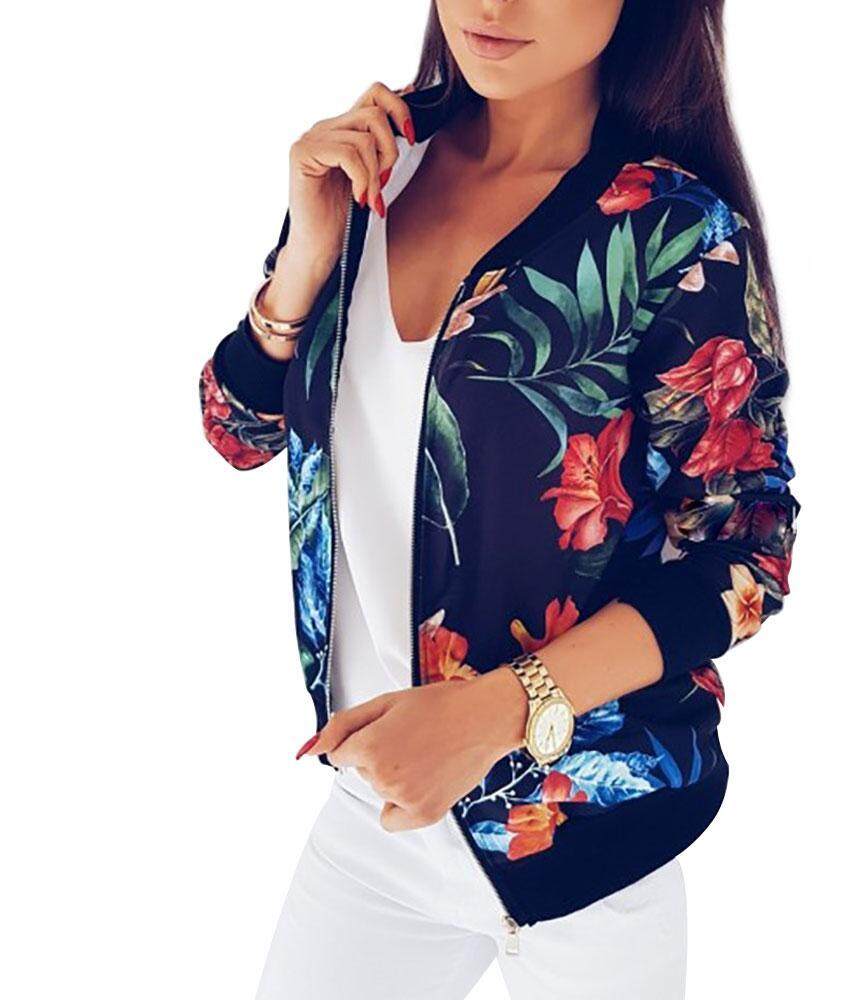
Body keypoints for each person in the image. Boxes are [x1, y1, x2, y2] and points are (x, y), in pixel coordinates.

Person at [198, 2, 798, 997]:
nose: (492, 4)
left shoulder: (673, 234)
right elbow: (238, 431)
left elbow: (746, 559)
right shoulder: (375, 165)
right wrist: (304, 258)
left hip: (589, 837)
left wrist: (495, 711)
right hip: (381, 813)